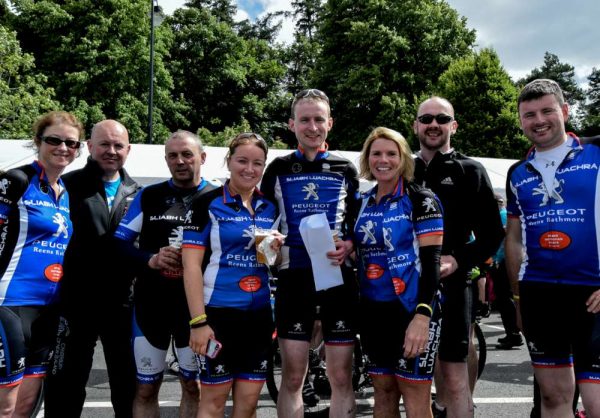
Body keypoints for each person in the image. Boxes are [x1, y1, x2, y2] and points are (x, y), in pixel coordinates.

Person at [260, 88, 360, 417]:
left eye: (319, 119)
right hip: (293, 280)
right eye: (305, 120)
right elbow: (261, 222)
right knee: (292, 377)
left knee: (341, 377)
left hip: (337, 278)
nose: (312, 126)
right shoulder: (277, 168)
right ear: (292, 124)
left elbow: (359, 223)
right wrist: (268, 242)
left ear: (330, 123)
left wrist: (352, 244)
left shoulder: (346, 169)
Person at [505, 78, 600, 417]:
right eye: (529, 114)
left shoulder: (596, 151)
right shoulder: (517, 172)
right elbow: (513, 238)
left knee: (596, 403)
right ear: (521, 121)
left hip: (592, 292)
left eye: (547, 110)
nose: (539, 120)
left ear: (564, 110)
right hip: (540, 295)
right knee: (553, 399)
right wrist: (517, 297)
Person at [412, 97, 504, 417]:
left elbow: (493, 235)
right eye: (426, 118)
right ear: (415, 126)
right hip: (406, 283)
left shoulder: (470, 171)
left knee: (454, 375)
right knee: (409, 377)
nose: (433, 124)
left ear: (454, 125)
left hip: (453, 283)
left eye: (441, 118)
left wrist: (458, 260)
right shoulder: (402, 169)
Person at [113, 131, 215, 417]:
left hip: (195, 309)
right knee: (146, 388)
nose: (180, 161)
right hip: (151, 306)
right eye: (172, 155)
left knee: (192, 385)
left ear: (202, 158)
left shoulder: (217, 196)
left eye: (187, 154)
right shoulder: (150, 195)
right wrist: (151, 259)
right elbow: (119, 243)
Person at [44, 120, 141, 418]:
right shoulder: (67, 185)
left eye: (118, 145)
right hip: (74, 303)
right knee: (65, 386)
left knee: (127, 387)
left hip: (122, 305)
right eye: (104, 144)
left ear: (128, 150)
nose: (111, 151)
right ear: (89, 146)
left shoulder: (138, 193)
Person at [182, 133, 282, 418]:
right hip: (218, 317)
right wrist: (198, 322)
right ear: (228, 161)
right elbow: (190, 267)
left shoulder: (270, 206)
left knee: (248, 405)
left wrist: (276, 248)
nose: (249, 169)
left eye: (257, 163)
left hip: (259, 317)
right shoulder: (206, 203)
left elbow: (275, 261)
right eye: (242, 161)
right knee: (212, 404)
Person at [354, 127, 444, 417]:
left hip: (412, 310)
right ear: (367, 159)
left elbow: (432, 263)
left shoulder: (422, 199)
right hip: (372, 311)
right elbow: (360, 249)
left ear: (403, 158)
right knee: (383, 391)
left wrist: (422, 315)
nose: (384, 160)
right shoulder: (361, 202)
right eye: (376, 153)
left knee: (415, 395)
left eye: (391, 153)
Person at [0, 111, 83, 417]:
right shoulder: (17, 180)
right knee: (5, 407)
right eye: (54, 140)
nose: (63, 148)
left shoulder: (65, 193)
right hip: (10, 303)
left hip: (48, 308)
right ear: (38, 142)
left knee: (26, 406)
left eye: (71, 143)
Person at [490, 194, 523, 350]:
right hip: (502, 260)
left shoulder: (502, 216)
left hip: (503, 261)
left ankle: (513, 333)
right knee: (504, 298)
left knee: (505, 298)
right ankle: (512, 332)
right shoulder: (503, 215)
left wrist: (498, 259)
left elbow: (505, 240)